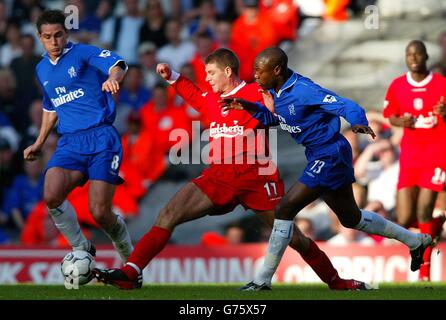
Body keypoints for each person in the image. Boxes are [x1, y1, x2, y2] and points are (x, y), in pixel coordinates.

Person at [94, 48, 369, 290]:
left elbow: (282, 110)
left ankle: (335, 281)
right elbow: (193, 94)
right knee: (169, 213)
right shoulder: (211, 99)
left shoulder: (256, 92)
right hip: (220, 175)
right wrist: (172, 76)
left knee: (294, 237)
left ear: (228, 71)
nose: (208, 78)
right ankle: (132, 272)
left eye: (211, 73)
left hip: (257, 177)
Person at [221, 47, 432, 290]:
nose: (255, 75)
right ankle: (416, 241)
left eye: (259, 70)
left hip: (330, 154)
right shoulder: (274, 90)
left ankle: (262, 280)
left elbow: (344, 104)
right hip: (319, 154)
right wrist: (248, 106)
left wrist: (358, 122)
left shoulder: (304, 90)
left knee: (285, 208)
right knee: (351, 218)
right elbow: (278, 120)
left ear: (277, 70)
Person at [23, 10, 133, 262]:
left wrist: (113, 79)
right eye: (48, 37)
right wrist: (39, 143)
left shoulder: (82, 53)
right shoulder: (42, 69)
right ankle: (82, 247)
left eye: (59, 35)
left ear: (66, 33)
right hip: (70, 141)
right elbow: (51, 107)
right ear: (40, 37)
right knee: (51, 194)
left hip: (102, 137)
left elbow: (119, 64)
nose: (54, 42)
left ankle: (129, 258)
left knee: (100, 212)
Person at [382, 40, 446, 281]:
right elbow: (391, 115)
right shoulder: (398, 85)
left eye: (418, 53)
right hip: (410, 154)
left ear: (426, 56)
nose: (414, 57)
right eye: (410, 54)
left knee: (423, 211)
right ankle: (438, 224)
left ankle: (425, 274)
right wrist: (402, 122)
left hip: (438, 152)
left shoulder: (441, 84)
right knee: (405, 218)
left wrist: (444, 113)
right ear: (406, 58)